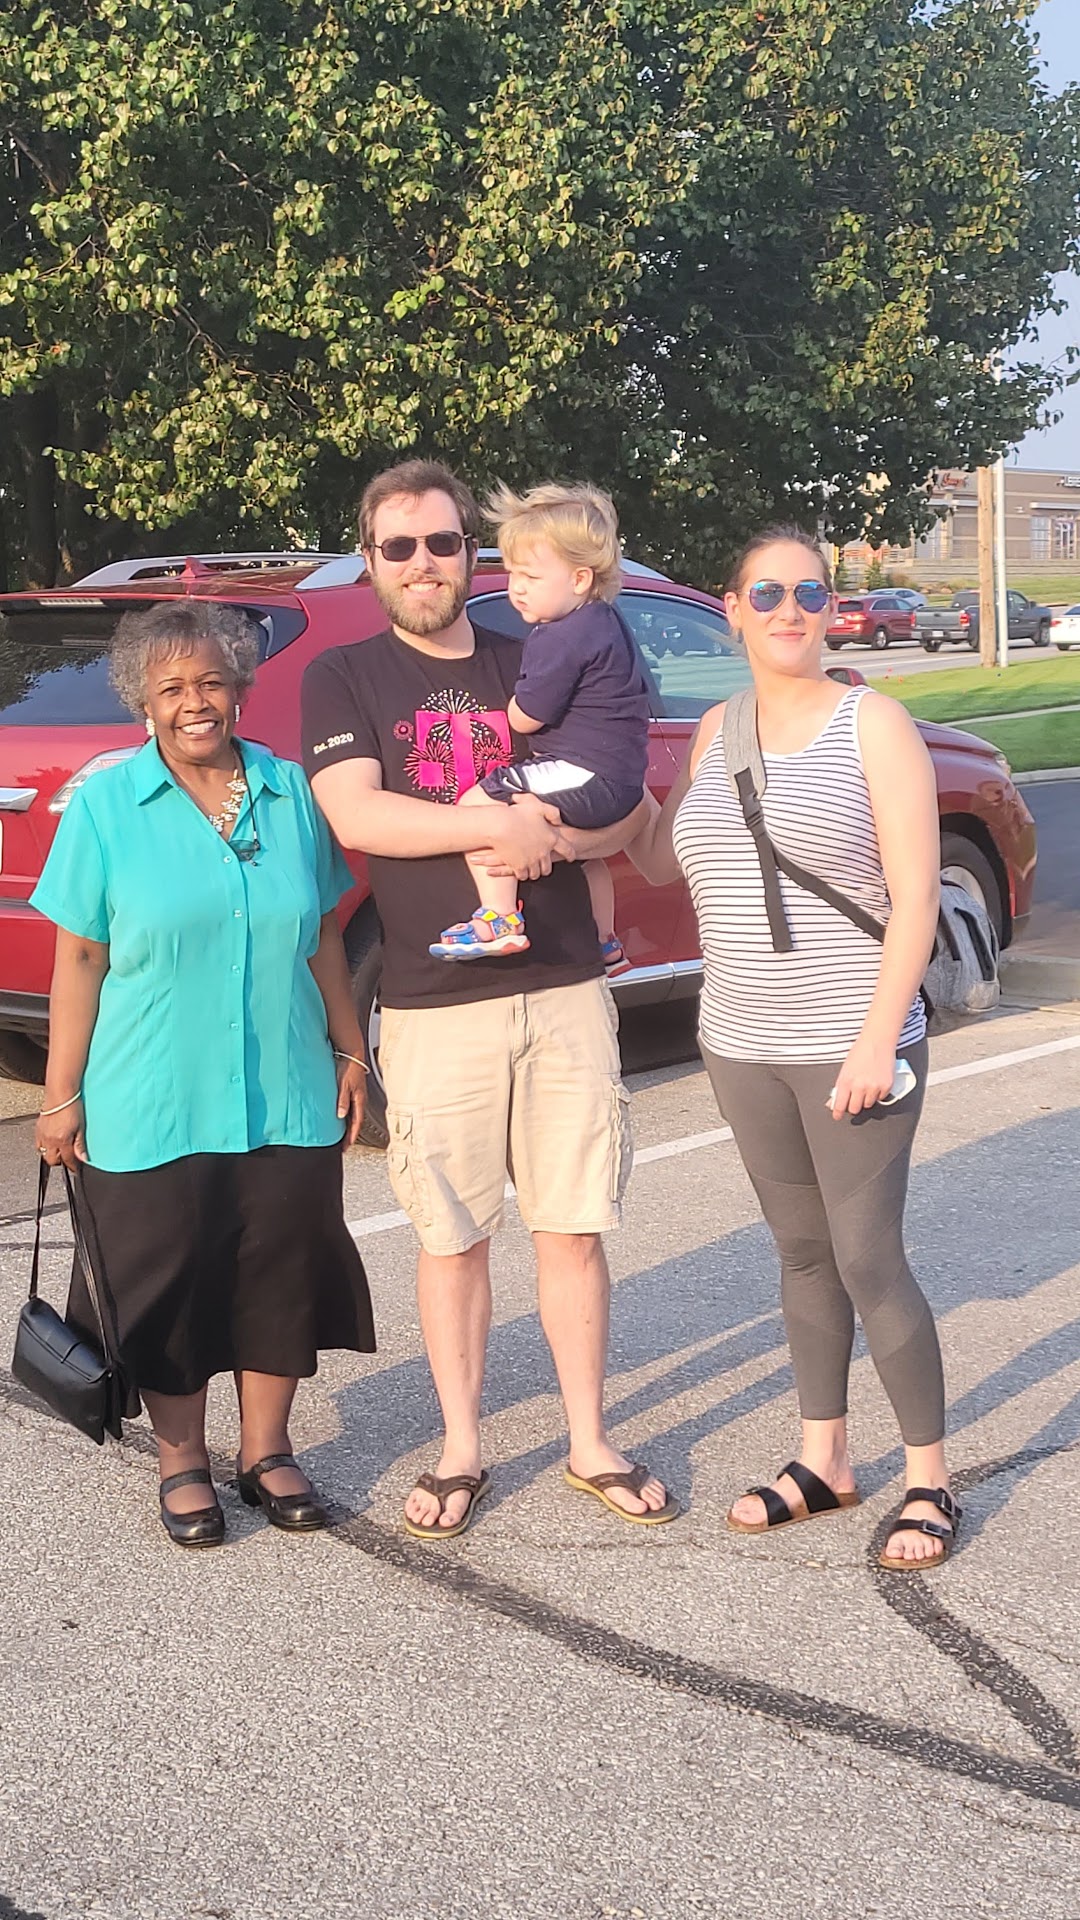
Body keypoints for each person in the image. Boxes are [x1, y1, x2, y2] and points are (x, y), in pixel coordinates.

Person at [302, 458, 677, 1538]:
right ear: (371, 560)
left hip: (562, 987)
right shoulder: (344, 676)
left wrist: (558, 838)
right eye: (400, 546)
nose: (424, 563)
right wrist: (496, 825)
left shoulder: (545, 647)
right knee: (452, 1236)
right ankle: (461, 1447)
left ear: (471, 552)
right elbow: (359, 816)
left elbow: (625, 803)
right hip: (434, 999)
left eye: (442, 542)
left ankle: (589, 1441)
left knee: (573, 1227)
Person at [627, 525, 960, 1570]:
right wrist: (583, 785)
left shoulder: (874, 724)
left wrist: (876, 1037)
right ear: (731, 609)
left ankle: (929, 1479)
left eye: (809, 594)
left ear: (829, 611)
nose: (788, 611)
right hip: (741, 1041)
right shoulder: (713, 730)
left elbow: (916, 899)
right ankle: (825, 1459)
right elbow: (659, 856)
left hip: (851, 1039)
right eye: (766, 593)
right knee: (802, 1253)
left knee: (868, 1258)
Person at [32, 601, 375, 1549]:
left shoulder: (287, 789)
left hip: (286, 1088)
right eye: (172, 687)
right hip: (150, 1094)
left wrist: (351, 1049)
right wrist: (61, 1096)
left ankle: (268, 1450)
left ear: (240, 690)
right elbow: (80, 958)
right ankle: (181, 1456)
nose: (195, 702)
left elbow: (324, 933)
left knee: (279, 1271)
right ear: (143, 702)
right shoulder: (107, 805)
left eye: (212, 682)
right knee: (168, 1282)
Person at [428, 481, 649, 973]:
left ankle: (498, 918)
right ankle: (605, 940)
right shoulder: (606, 620)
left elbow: (526, 715)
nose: (516, 588)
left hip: (583, 770)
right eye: (512, 574)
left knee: (477, 807)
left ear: (579, 579)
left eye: (529, 576)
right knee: (588, 858)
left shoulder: (557, 637)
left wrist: (510, 708)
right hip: (621, 780)